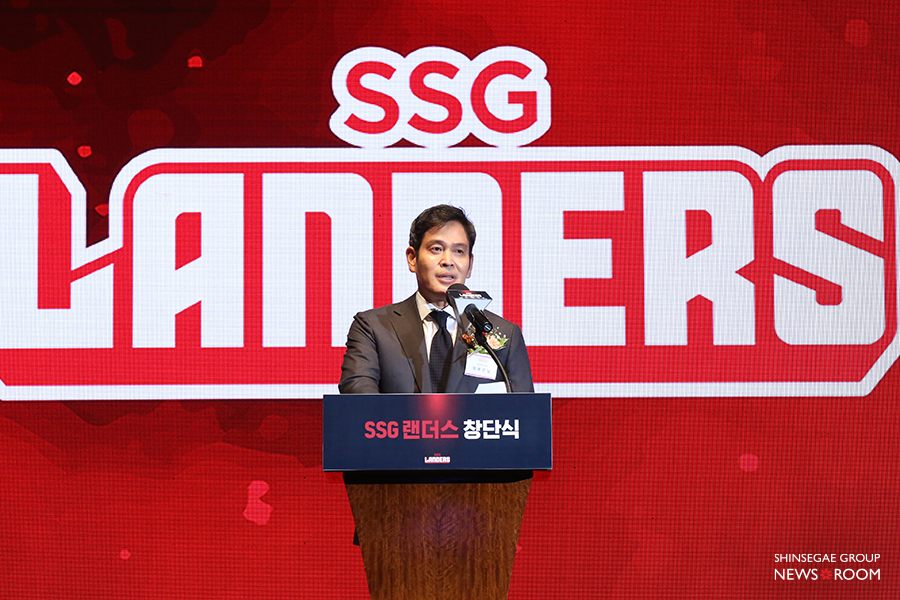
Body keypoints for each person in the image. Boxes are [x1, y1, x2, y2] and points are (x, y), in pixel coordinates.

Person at [339, 204, 533, 394]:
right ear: (412, 258)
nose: (448, 261)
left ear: (470, 264)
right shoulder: (373, 327)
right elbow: (358, 396)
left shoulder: (505, 334)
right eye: (436, 249)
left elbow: (524, 409)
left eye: (459, 251)